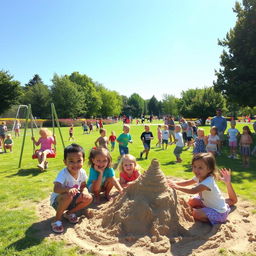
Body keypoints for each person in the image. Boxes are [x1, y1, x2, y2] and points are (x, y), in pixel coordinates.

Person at [167, 153, 237, 225]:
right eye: (194, 166)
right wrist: (174, 182)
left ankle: (215, 220)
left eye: (200, 168)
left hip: (219, 212)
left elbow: (193, 190)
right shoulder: (199, 176)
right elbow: (187, 182)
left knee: (195, 213)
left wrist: (177, 187)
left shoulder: (208, 181)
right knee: (191, 201)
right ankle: (205, 209)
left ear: (209, 169)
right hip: (207, 203)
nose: (196, 170)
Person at [50, 144, 93, 233]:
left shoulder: (82, 172)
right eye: (71, 161)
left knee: (89, 198)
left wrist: (85, 191)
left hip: (72, 198)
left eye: (78, 161)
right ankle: (57, 219)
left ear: (83, 161)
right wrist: (67, 190)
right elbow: (56, 188)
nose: (75, 164)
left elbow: (83, 185)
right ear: (65, 162)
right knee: (68, 196)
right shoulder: (63, 173)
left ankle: (69, 213)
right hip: (58, 201)